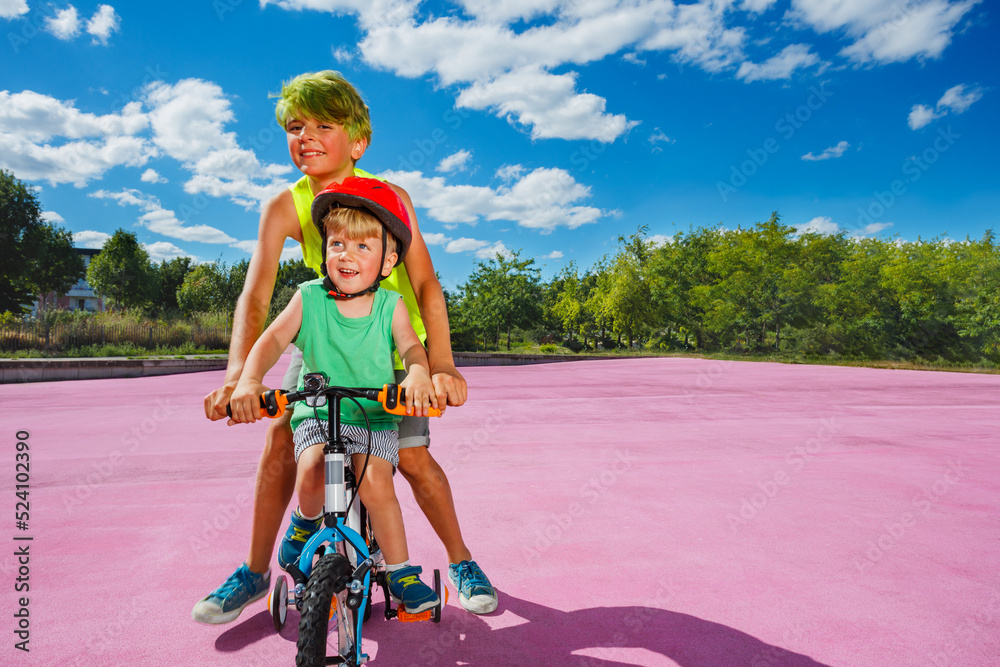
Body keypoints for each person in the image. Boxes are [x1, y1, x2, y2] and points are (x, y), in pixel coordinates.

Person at [191, 71, 496, 625]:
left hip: (395, 345)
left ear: (358, 141)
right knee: (281, 432)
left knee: (412, 459)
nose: (305, 136)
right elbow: (256, 294)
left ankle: (461, 560)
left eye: (323, 125)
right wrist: (240, 375)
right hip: (327, 337)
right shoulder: (287, 205)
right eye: (294, 126)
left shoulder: (389, 197)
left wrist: (441, 365)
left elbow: (425, 285)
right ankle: (257, 571)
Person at [228, 177, 441, 613]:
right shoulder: (308, 298)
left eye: (363, 247)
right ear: (323, 250)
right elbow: (270, 341)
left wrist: (418, 374)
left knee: (377, 483)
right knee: (308, 466)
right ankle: (305, 526)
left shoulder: (390, 305)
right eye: (337, 243)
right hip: (318, 412)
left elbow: (411, 346)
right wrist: (250, 380)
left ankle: (399, 571)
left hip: (373, 417)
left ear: (388, 261)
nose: (346, 254)